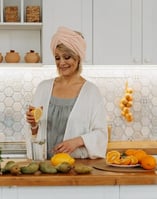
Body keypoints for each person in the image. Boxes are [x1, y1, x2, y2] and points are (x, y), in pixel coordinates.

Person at [26, 26, 108, 159]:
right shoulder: (43, 88)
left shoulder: (91, 92)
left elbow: (101, 134)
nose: (61, 63)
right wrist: (33, 125)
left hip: (75, 168)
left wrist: (77, 141)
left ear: (78, 58)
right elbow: (34, 133)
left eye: (67, 57)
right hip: (45, 167)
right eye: (57, 58)